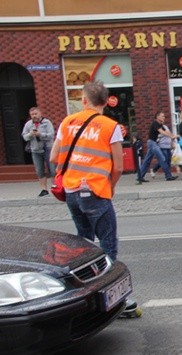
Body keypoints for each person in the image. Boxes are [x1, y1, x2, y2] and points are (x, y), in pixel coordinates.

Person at [48, 80, 138, 315]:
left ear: (84, 100)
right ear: (106, 102)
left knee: (83, 243)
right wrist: (111, 186)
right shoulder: (111, 126)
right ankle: (110, 295)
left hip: (71, 192)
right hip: (96, 191)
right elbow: (118, 167)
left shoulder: (67, 122)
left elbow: (53, 157)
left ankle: (82, 294)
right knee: (107, 243)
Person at [22, 107, 56, 197]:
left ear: (40, 113)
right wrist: (31, 134)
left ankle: (55, 188)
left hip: (48, 148)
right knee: (39, 170)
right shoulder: (28, 124)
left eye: (36, 114)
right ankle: (44, 190)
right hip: (36, 150)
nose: (34, 116)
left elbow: (51, 135)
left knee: (52, 170)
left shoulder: (47, 122)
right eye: (32, 115)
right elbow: (24, 137)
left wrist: (40, 134)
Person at [137, 112, 178, 183]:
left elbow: (166, 132)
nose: (164, 117)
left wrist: (173, 136)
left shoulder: (160, 125)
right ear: (157, 117)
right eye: (162, 116)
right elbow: (162, 132)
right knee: (162, 158)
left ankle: (140, 177)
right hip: (152, 143)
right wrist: (172, 136)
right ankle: (168, 176)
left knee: (147, 160)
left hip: (153, 143)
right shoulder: (155, 123)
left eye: (164, 116)